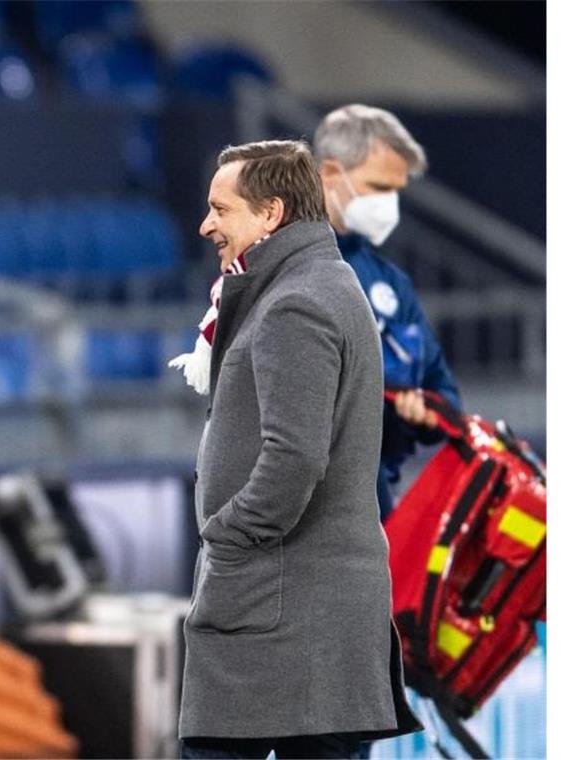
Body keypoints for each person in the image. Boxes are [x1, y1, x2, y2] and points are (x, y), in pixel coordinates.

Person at [178, 140, 420, 759]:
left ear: (271, 214)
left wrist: (225, 536)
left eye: (220, 209)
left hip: (281, 616)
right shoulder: (314, 286)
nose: (207, 225)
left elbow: (293, 460)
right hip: (299, 616)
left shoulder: (296, 303)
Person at [314, 104, 462, 520]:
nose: (388, 204)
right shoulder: (275, 265)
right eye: (378, 187)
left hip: (376, 508)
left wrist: (423, 412)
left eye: (395, 191)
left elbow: (446, 396)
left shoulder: (390, 284)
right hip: (304, 509)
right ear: (329, 175)